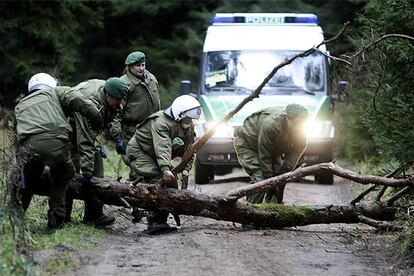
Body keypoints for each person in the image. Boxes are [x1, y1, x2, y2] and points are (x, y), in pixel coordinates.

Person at [14, 73, 103, 229]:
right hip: (57, 143)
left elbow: (17, 135)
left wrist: (20, 163)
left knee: (28, 178)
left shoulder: (21, 104)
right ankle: (57, 218)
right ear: (52, 84)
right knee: (64, 173)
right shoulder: (56, 92)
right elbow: (77, 99)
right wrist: (96, 116)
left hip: (29, 147)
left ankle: (16, 216)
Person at [126, 95, 201, 234]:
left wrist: (186, 169)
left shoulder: (188, 126)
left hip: (155, 154)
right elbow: (163, 146)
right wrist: (165, 169)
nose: (190, 122)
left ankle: (160, 219)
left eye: (191, 119)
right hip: (140, 152)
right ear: (179, 114)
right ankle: (154, 220)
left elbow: (190, 149)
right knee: (159, 179)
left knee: (172, 184)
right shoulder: (161, 122)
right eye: (187, 119)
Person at [65, 77, 128, 227]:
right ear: (108, 95)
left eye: (121, 99)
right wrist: (87, 172)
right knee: (69, 173)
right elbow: (84, 138)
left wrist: (117, 136)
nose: (119, 103)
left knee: (97, 173)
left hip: (86, 133)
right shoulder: (89, 101)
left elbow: (113, 115)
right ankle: (62, 215)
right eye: (117, 99)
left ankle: (94, 215)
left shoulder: (113, 93)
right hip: (69, 131)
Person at [234, 104, 308, 205]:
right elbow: (265, 157)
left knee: (280, 180)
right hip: (248, 145)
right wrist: (270, 181)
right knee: (261, 182)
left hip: (272, 149)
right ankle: (250, 212)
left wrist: (285, 169)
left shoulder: (299, 128)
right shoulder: (270, 124)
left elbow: (298, 149)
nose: (297, 128)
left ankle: (273, 211)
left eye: (300, 125)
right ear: (286, 117)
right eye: (295, 124)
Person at [111, 51, 161, 170]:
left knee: (153, 160)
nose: (141, 68)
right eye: (138, 66)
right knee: (137, 163)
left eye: (143, 65)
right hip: (132, 130)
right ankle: (136, 187)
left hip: (152, 127)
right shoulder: (124, 84)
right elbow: (115, 113)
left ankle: (152, 187)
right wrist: (117, 137)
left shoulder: (151, 79)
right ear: (130, 67)